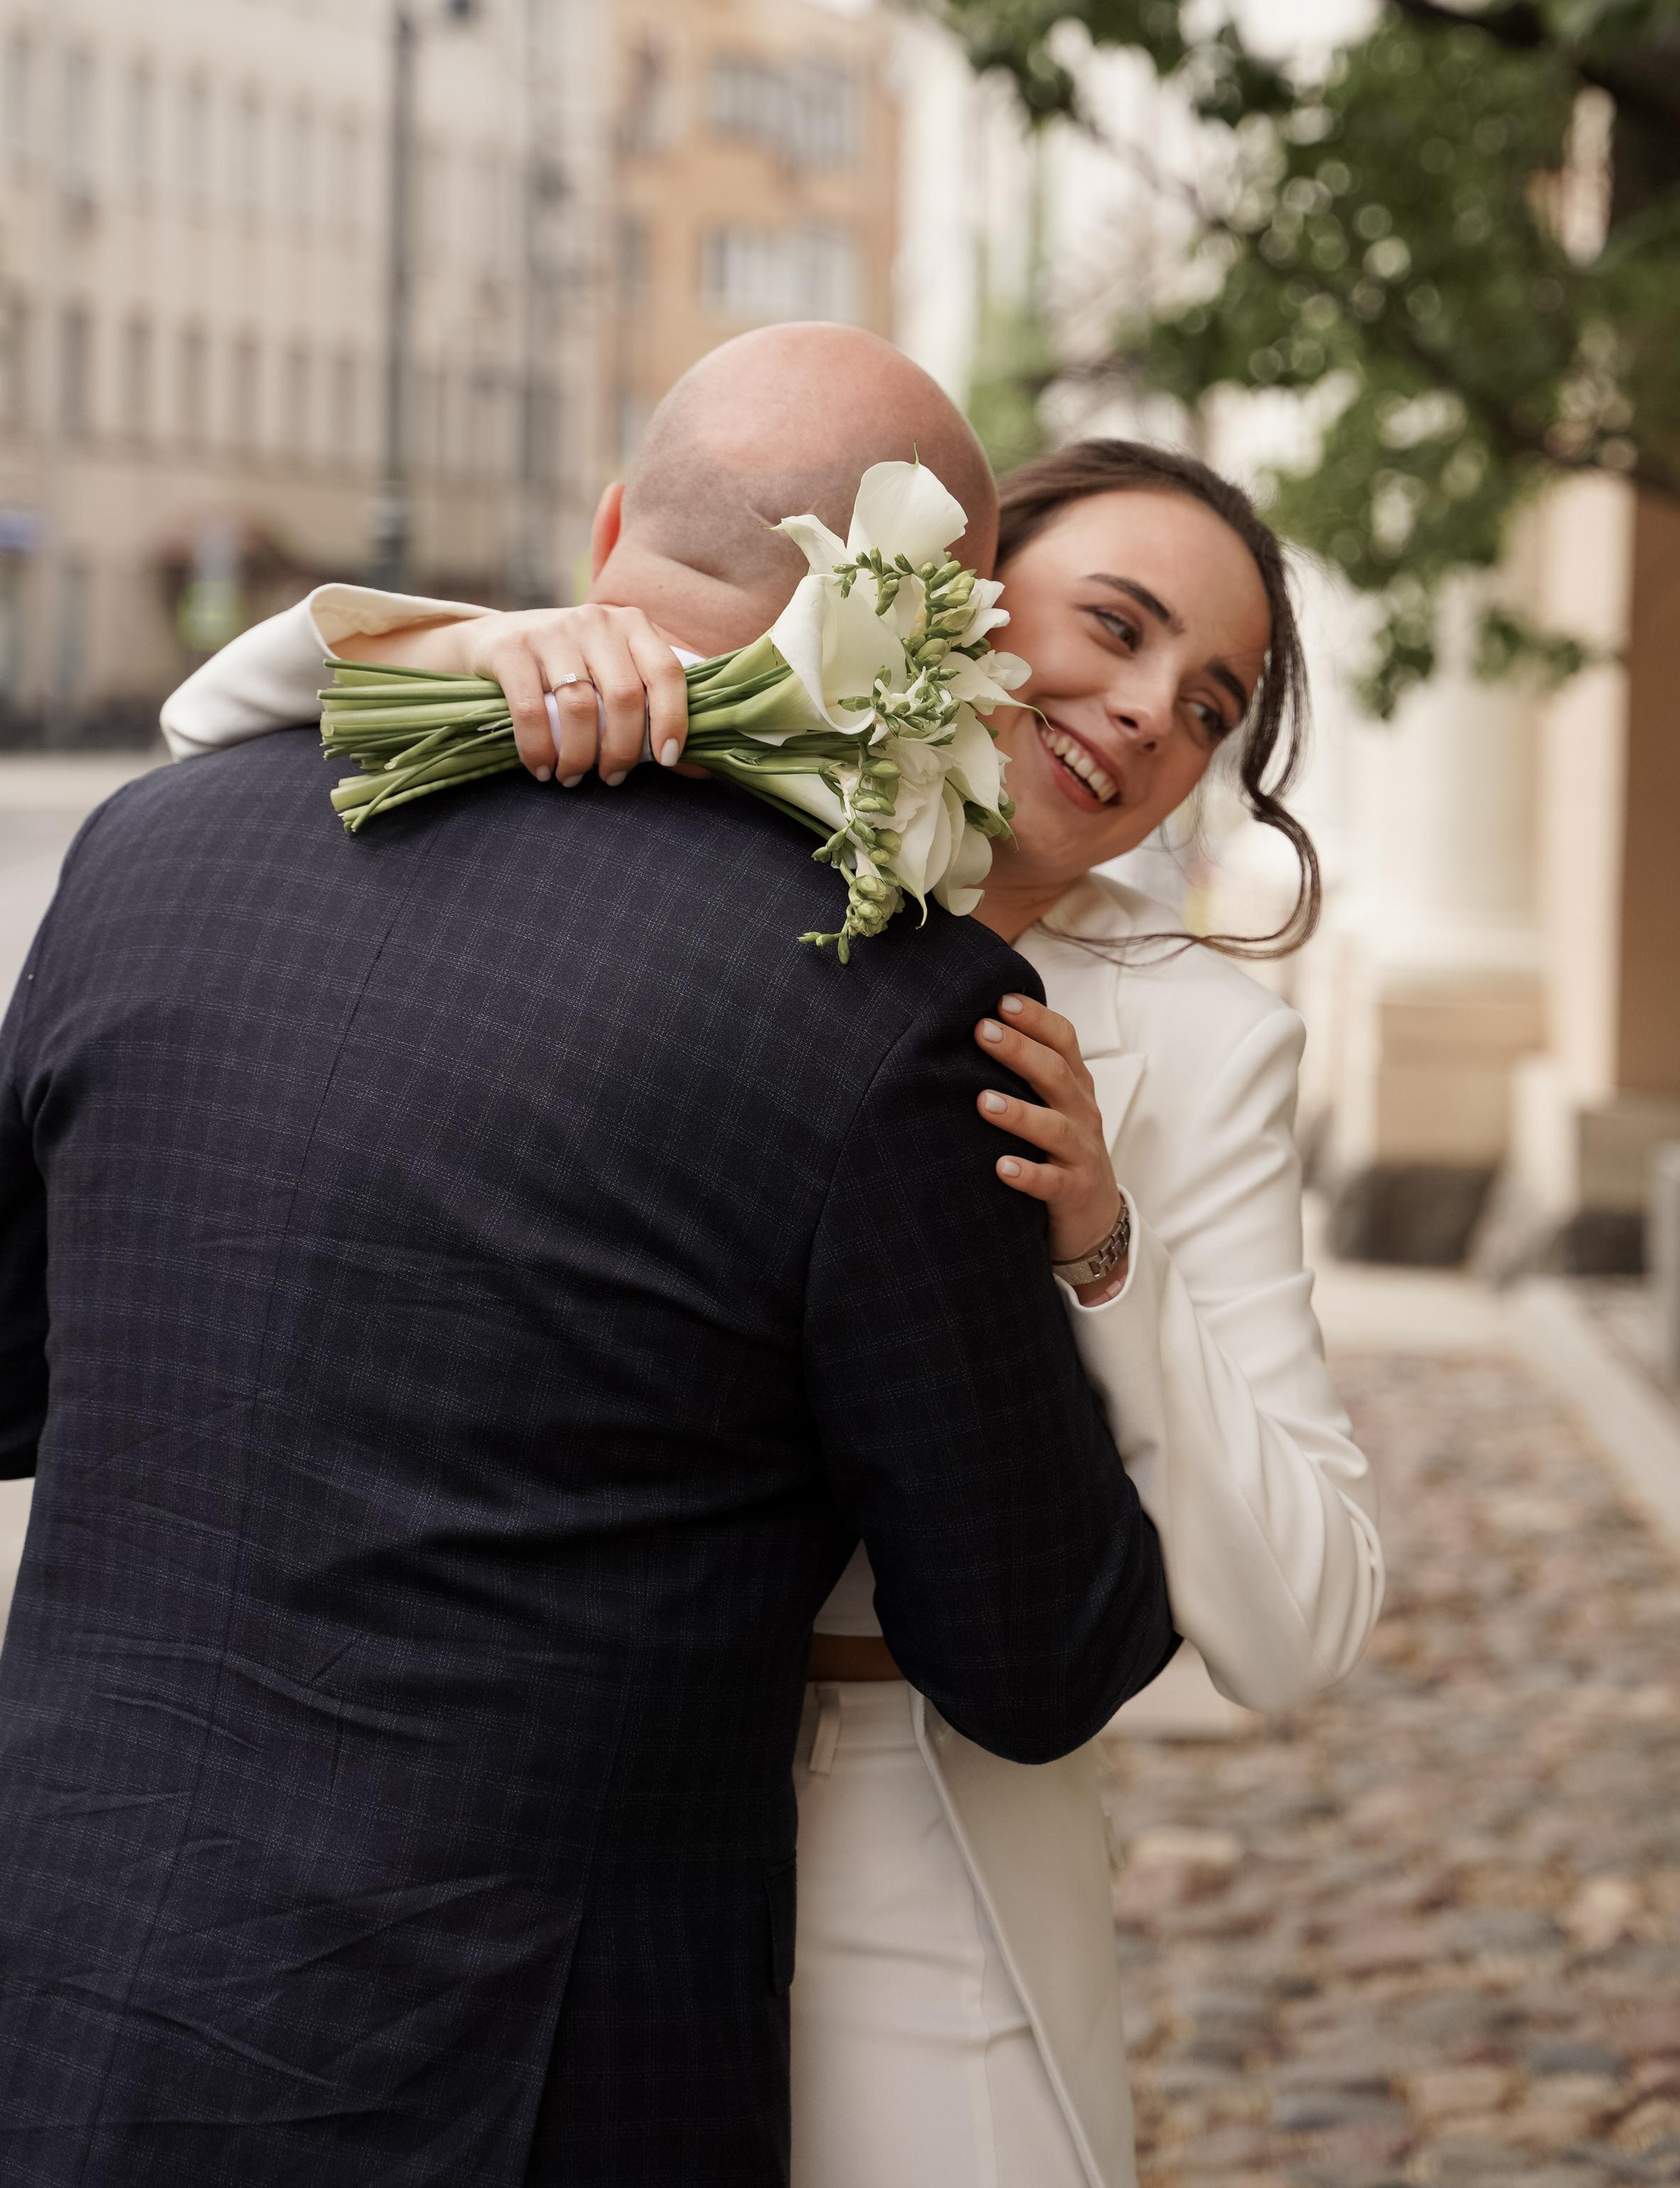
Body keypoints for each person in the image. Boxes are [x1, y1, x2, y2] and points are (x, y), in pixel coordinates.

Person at [162, 364, 1385, 2188]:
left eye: (1208, 705)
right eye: (1115, 627)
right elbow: (210, 732)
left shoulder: (1204, 1044)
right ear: (944, 598)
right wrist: (489, 647)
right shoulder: (703, 816)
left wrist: (1105, 1252)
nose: (1149, 713)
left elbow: (1303, 1621)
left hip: (901, 1819)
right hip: (562, 1809)